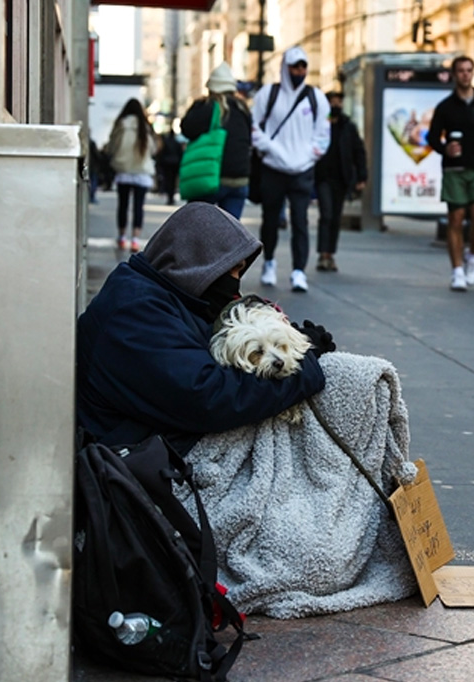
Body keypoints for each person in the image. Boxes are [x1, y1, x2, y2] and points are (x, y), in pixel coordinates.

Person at [76, 202, 332, 453]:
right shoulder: (135, 312)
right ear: (198, 262)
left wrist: (290, 340)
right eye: (231, 270)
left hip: (157, 439)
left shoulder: (164, 293)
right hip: (135, 459)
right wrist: (303, 363)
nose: (236, 282)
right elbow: (210, 397)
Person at [250, 46, 331, 293]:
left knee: (300, 221)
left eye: (303, 66)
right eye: (295, 66)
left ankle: (298, 271)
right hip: (273, 169)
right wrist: (275, 151)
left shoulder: (317, 98)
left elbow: (322, 136)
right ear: (285, 67)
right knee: (270, 220)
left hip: (302, 171)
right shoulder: (268, 94)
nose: (299, 71)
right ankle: (269, 262)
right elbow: (254, 128)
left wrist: (305, 157)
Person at [427, 56, 474, 292]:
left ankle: (473, 254)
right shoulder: (446, 107)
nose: (465, 75)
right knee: (456, 219)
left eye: (469, 70)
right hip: (454, 171)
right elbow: (431, 138)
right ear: (454, 74)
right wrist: (444, 148)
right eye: (461, 71)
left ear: (473, 73)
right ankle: (457, 271)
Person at [181, 62, 253, 219]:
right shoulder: (243, 109)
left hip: (211, 178)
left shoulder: (207, 107)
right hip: (239, 180)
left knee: (199, 227)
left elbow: (186, 128)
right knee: (230, 234)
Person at [313, 91, 368, 273]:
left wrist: (361, 176)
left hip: (342, 179)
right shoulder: (320, 123)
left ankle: (330, 254)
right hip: (323, 178)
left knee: (335, 218)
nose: (336, 105)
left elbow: (358, 151)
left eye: (339, 102)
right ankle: (323, 254)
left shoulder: (348, 126)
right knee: (326, 215)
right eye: (333, 102)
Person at [103, 98, 157, 252]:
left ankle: (121, 237)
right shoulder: (145, 126)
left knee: (123, 205)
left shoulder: (121, 124)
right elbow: (152, 149)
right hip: (141, 171)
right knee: (139, 206)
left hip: (124, 169)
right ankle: (135, 239)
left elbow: (112, 146)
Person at [156, 128, 184, 205]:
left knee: (168, 181)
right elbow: (180, 154)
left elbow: (161, 153)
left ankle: (169, 197)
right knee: (173, 181)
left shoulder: (166, 142)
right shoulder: (177, 143)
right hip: (174, 164)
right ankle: (171, 197)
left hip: (167, 164)